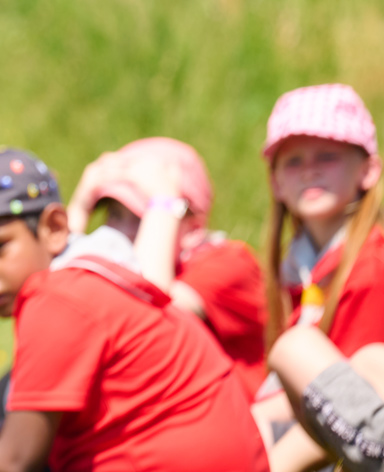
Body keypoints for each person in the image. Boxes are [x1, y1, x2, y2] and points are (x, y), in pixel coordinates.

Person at [0, 146, 269, 472]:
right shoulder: (90, 275)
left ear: (53, 228)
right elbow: (28, 434)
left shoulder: (57, 298)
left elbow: (17, 459)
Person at [257, 85, 384, 455]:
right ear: (275, 180)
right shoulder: (296, 263)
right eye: (293, 161)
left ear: (369, 170)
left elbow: (350, 395)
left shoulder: (371, 263)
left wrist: (256, 419)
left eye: (327, 156)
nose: (309, 170)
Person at [67, 136, 268, 398]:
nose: (117, 232)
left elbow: (150, 305)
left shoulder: (227, 262)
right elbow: (56, 296)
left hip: (241, 422)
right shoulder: (129, 268)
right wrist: (80, 206)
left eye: (142, 218)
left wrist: (163, 201)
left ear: (193, 229)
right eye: (114, 215)